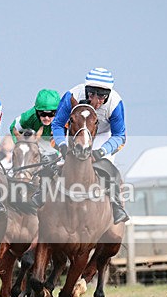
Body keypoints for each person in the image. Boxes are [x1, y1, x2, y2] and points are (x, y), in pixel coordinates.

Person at [51, 67, 129, 224]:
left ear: (108, 95)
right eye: (91, 93)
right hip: (77, 132)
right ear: (86, 90)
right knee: (58, 163)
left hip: (101, 136)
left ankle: (116, 206)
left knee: (108, 167)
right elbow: (58, 124)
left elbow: (119, 135)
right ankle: (42, 194)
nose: (95, 100)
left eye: (101, 96)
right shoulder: (72, 95)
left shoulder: (115, 103)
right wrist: (62, 145)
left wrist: (102, 151)